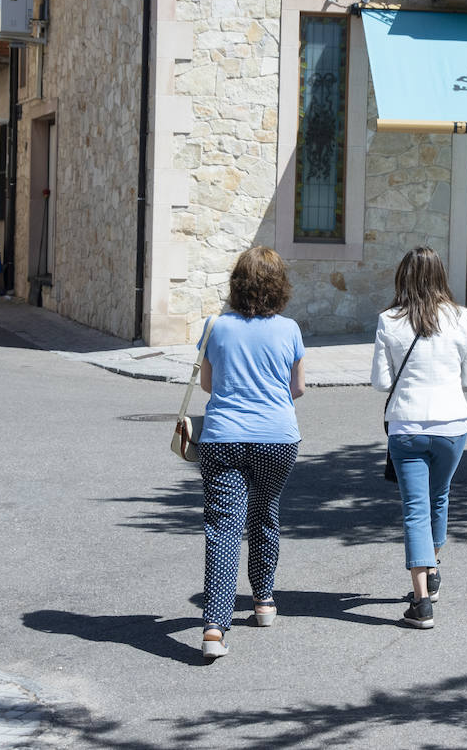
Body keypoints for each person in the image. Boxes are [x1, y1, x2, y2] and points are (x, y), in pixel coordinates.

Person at [196, 246, 306, 660]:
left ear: (236, 284)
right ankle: (263, 601)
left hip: (223, 437)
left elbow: (207, 385)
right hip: (277, 438)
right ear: (279, 287)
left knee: (223, 527)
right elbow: (296, 388)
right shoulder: (290, 330)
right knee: (265, 513)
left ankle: (213, 627)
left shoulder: (214, 327)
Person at [371, 246, 467, 629]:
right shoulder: (461, 318)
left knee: (414, 510)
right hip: (452, 425)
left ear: (403, 277)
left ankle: (421, 601)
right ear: (441, 276)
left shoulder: (389, 320)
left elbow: (381, 382)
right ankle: (432, 571)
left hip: (406, 427)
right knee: (439, 497)